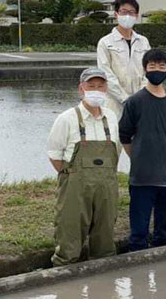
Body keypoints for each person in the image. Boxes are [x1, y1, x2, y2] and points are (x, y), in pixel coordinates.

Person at [46, 67, 121, 266]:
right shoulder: (66, 118)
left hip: (106, 188)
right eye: (91, 86)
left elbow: (116, 151)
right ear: (81, 89)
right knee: (69, 237)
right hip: (75, 189)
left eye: (100, 86)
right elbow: (55, 156)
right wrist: (74, 177)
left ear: (106, 89)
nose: (96, 90)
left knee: (105, 241)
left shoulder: (111, 117)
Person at [119, 49, 166, 251]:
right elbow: (125, 136)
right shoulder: (135, 102)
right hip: (142, 177)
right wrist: (138, 157)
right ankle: (138, 274)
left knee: (165, 230)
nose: (157, 70)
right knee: (139, 232)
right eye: (152, 66)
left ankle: (164, 273)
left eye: (161, 66)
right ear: (145, 69)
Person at [96, 0, 151, 119]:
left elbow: (148, 70)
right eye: (124, 12)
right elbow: (105, 73)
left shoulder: (143, 42)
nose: (127, 16)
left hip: (140, 102)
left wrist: (140, 97)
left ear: (136, 16)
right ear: (116, 14)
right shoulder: (105, 42)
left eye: (131, 12)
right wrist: (124, 99)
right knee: (115, 135)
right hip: (114, 103)